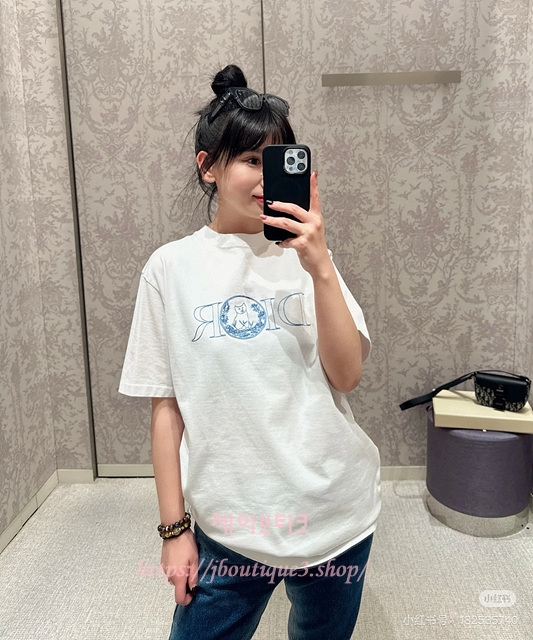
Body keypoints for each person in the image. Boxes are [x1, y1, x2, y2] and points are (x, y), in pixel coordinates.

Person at [119, 64, 381, 640]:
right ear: (207, 166)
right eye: (250, 160)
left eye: (280, 160)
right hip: (230, 524)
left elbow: (347, 376)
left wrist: (320, 265)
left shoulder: (309, 259)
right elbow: (166, 409)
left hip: (333, 513)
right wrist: (174, 531)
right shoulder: (170, 269)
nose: (267, 177)